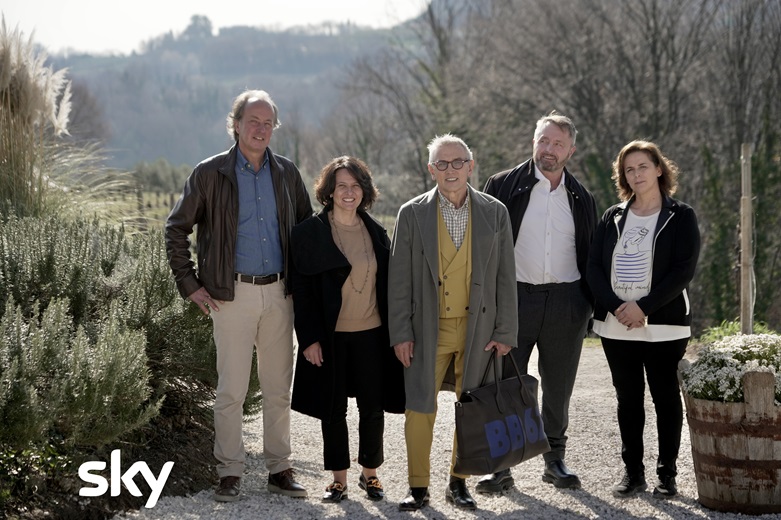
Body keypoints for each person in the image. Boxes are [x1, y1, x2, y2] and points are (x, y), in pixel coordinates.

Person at [165, 89, 313, 502]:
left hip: (280, 295)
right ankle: (229, 471)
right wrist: (189, 283)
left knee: (278, 387)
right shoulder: (210, 173)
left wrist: (305, 286)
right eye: (253, 121)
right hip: (230, 296)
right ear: (236, 125)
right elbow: (176, 228)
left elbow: (306, 229)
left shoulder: (286, 173)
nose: (261, 129)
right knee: (231, 389)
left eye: (268, 123)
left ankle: (279, 469)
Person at [388, 134, 518, 511]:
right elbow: (398, 282)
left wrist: (505, 330)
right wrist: (400, 333)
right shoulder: (411, 213)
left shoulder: (495, 212)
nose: (450, 170)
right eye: (442, 164)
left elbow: (506, 277)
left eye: (457, 162)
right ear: (431, 170)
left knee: (470, 407)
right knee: (419, 407)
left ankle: (458, 483)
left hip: (479, 329)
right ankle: (417, 487)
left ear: (470, 166)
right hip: (426, 329)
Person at [480, 112, 597, 492]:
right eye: (543, 141)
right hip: (514, 297)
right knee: (506, 382)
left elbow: (591, 254)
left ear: (571, 151)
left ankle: (555, 460)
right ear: (534, 141)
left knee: (558, 386)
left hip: (567, 301)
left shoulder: (581, 197)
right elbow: (483, 248)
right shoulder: (501, 185)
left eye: (558, 144)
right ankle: (503, 466)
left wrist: (589, 305)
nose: (549, 149)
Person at [586, 140, 700, 498]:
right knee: (628, 399)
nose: (636, 174)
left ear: (659, 169)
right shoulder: (612, 216)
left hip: (664, 323)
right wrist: (618, 307)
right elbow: (593, 268)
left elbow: (683, 271)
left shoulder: (680, 216)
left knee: (666, 398)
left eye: (643, 167)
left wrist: (643, 307)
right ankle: (632, 473)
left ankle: (667, 475)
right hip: (616, 324)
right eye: (629, 169)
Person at [289, 156, 405, 503]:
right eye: (342, 186)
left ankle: (370, 475)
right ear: (329, 191)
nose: (349, 192)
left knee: (372, 407)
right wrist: (308, 338)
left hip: (372, 333)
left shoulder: (377, 233)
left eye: (356, 186)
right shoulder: (309, 234)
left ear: (364, 191)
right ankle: (338, 479)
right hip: (330, 336)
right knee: (333, 407)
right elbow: (302, 291)